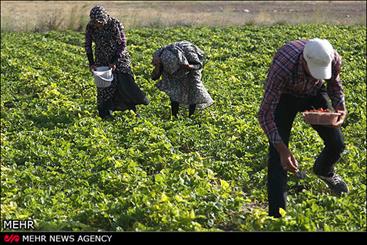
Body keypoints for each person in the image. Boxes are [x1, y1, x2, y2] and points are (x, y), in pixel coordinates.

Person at [258, 38, 349, 218]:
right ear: (304, 61)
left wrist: (341, 109)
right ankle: (277, 217)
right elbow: (265, 114)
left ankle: (324, 171)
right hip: (286, 96)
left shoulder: (332, 58)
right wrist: (283, 150)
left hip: (314, 93)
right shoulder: (284, 67)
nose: (317, 74)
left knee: (336, 143)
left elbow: (334, 86)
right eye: (313, 71)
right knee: (278, 159)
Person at [85, 5, 149, 119]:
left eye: (99, 22)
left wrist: (114, 61)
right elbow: (88, 45)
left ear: (104, 18)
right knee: (104, 86)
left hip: (120, 58)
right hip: (102, 59)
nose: (97, 25)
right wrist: (92, 63)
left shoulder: (114, 24)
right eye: (95, 23)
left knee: (124, 84)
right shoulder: (90, 27)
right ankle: (105, 112)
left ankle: (132, 110)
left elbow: (122, 43)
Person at [151, 41, 213, 117]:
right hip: (172, 70)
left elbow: (198, 65)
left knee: (193, 89)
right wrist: (158, 67)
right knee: (174, 91)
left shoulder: (189, 52)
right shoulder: (159, 56)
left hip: (190, 67)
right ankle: (174, 115)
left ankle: (191, 115)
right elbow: (154, 77)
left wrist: (189, 67)